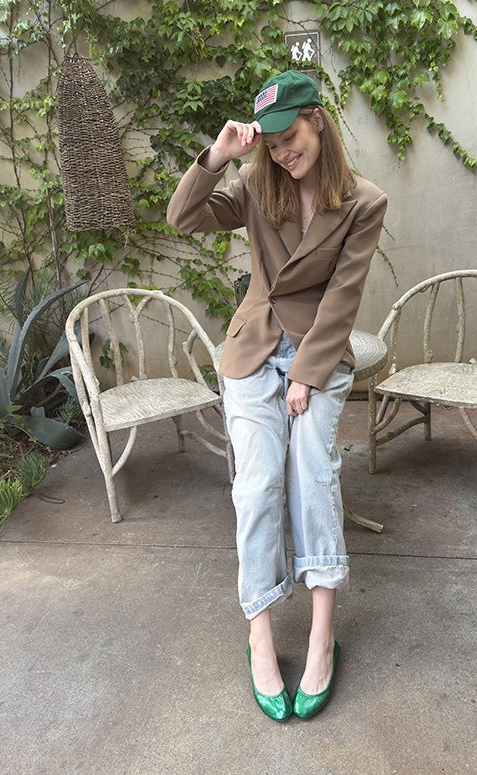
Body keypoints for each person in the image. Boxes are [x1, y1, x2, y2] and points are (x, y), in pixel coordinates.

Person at [167, 70, 387, 722]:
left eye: (290, 136)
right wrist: (217, 156)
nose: (284, 152)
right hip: (254, 351)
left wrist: (307, 376)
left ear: (317, 120)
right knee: (258, 482)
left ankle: (322, 638)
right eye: (273, 143)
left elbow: (343, 298)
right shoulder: (258, 184)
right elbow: (182, 217)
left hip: (317, 355)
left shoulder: (364, 202)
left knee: (314, 474)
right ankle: (259, 635)